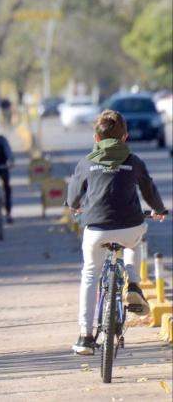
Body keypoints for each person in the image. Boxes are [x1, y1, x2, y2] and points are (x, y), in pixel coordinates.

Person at [67, 110, 167, 355]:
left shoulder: (86, 162)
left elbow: (73, 197)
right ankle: (132, 284)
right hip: (130, 226)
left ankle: (85, 336)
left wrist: (74, 206)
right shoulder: (133, 161)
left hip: (96, 230)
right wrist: (158, 209)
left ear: (96, 138)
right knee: (134, 242)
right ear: (125, 137)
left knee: (90, 274)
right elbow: (149, 190)